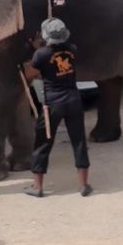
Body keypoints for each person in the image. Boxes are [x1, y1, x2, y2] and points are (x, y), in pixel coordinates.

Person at [22, 18, 91, 197]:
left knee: (42, 144)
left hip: (52, 104)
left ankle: (37, 188)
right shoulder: (73, 50)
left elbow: (29, 73)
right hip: (74, 100)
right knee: (79, 142)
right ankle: (84, 185)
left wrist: (35, 49)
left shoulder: (42, 54)